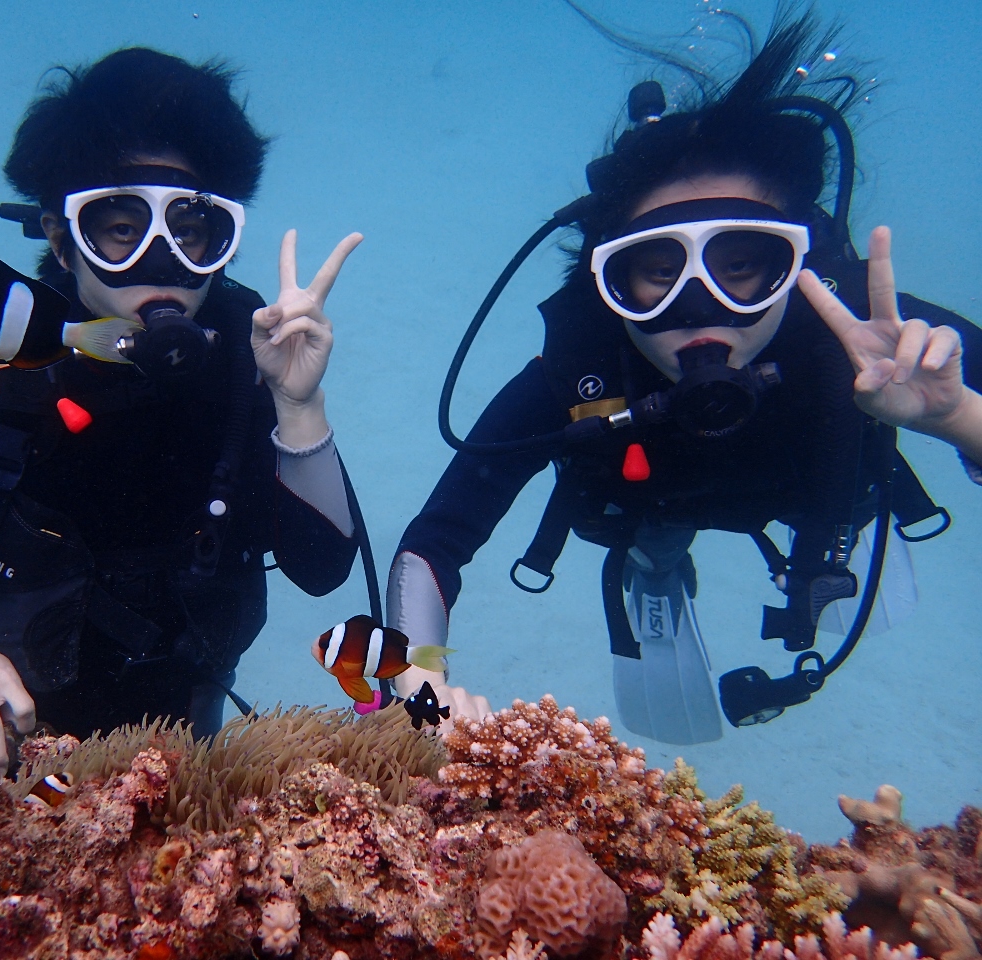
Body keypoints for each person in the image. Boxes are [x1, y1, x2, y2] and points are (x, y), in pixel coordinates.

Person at [385, 14, 982, 744]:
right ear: (612, 279)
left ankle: (832, 540)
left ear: (792, 263)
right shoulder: (579, 374)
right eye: (660, 272)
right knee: (651, 532)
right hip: (654, 493)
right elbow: (435, 542)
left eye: (741, 266)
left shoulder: (863, 335)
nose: (701, 309)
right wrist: (420, 691)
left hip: (818, 490)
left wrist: (955, 418)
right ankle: (656, 566)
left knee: (840, 499)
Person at [0, 47, 363, 772]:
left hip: (183, 748)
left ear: (219, 244)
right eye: (121, 228)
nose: (161, 262)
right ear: (61, 240)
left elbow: (322, 568)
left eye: (190, 230)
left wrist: (299, 404)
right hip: (12, 744)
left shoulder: (248, 354)